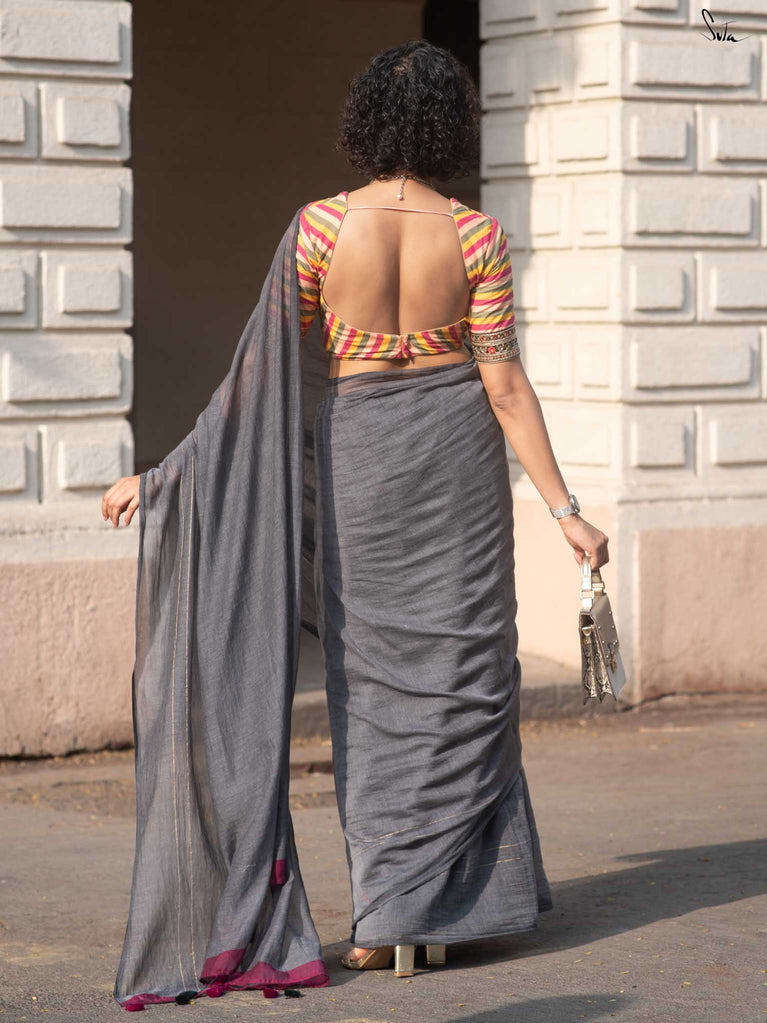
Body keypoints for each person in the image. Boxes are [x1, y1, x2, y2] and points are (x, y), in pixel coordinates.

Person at [104, 39, 609, 1009]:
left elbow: (254, 378)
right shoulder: (477, 238)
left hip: (361, 466)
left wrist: (166, 473)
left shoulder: (318, 230)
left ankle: (386, 919)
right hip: (456, 473)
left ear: (367, 121)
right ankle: (436, 917)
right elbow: (504, 387)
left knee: (371, 687)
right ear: (450, 128)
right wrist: (565, 511)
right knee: (460, 678)